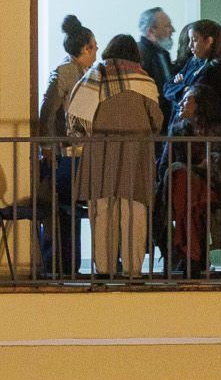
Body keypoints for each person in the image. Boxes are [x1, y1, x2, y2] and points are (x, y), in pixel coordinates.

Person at [65, 33, 163, 278]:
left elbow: (76, 118)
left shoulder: (94, 76)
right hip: (136, 153)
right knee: (134, 211)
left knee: (101, 211)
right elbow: (157, 120)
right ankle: (133, 271)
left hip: (100, 152)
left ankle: (103, 270)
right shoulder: (144, 81)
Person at [35, 15, 95, 278]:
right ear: (85, 48)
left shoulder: (82, 72)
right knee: (62, 208)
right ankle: (60, 264)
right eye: (93, 46)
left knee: (68, 207)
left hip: (74, 151)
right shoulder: (66, 72)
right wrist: (47, 147)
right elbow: (48, 111)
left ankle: (69, 264)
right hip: (64, 152)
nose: (96, 51)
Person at [158, 88, 221, 277]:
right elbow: (164, 165)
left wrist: (213, 160)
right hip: (182, 189)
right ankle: (193, 257)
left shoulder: (219, 130)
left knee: (191, 198)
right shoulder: (177, 130)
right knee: (183, 180)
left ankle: (189, 256)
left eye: (187, 100)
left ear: (200, 104)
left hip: (210, 186)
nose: (181, 104)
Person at [162, 19, 221, 133]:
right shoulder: (193, 62)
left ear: (209, 41)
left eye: (194, 40)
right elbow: (167, 87)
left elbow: (197, 96)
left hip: (198, 129)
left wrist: (181, 86)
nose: (190, 45)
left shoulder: (216, 68)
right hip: (180, 124)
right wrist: (185, 88)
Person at [135, 7, 176, 93]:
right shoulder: (138, 54)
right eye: (167, 26)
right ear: (151, 31)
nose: (173, 30)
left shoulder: (164, 53)